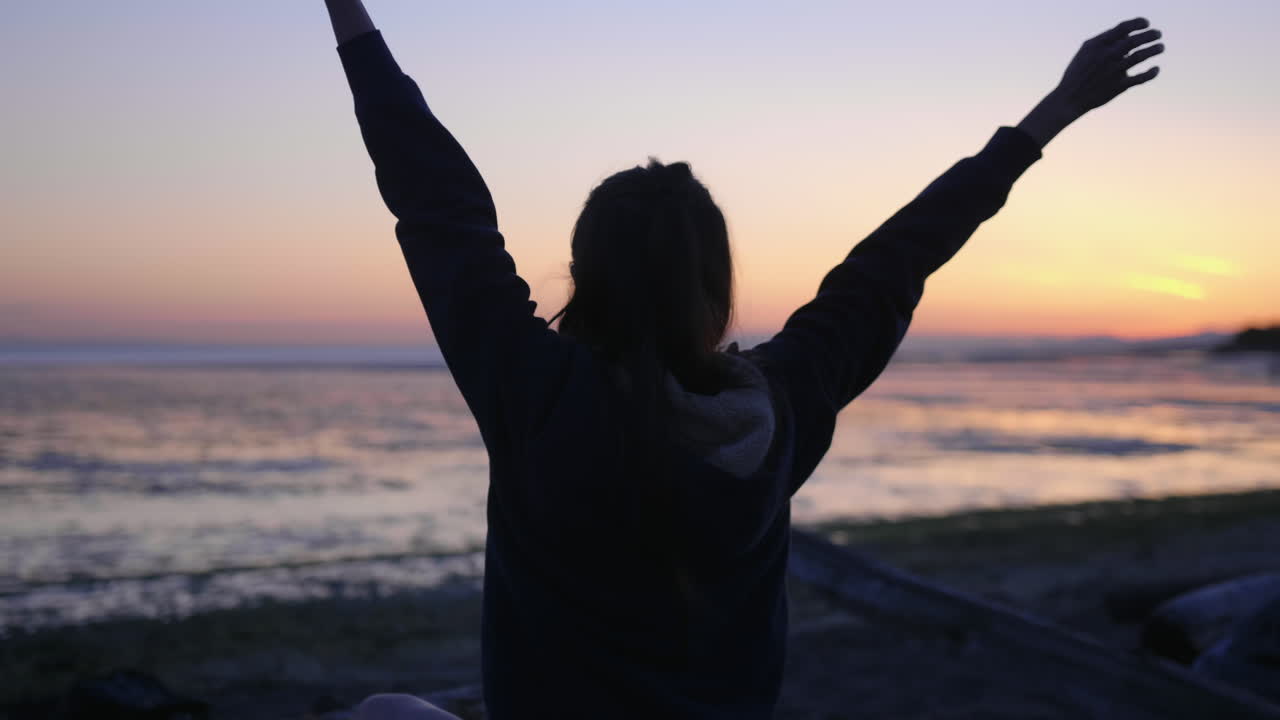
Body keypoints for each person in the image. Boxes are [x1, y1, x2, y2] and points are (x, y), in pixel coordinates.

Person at [322, 2, 1164, 717]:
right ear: (717, 289)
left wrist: (345, 10)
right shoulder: (781, 408)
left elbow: (440, 203)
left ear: (583, 276)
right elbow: (896, 261)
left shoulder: (537, 393)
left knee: (382, 712)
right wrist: (1053, 112)